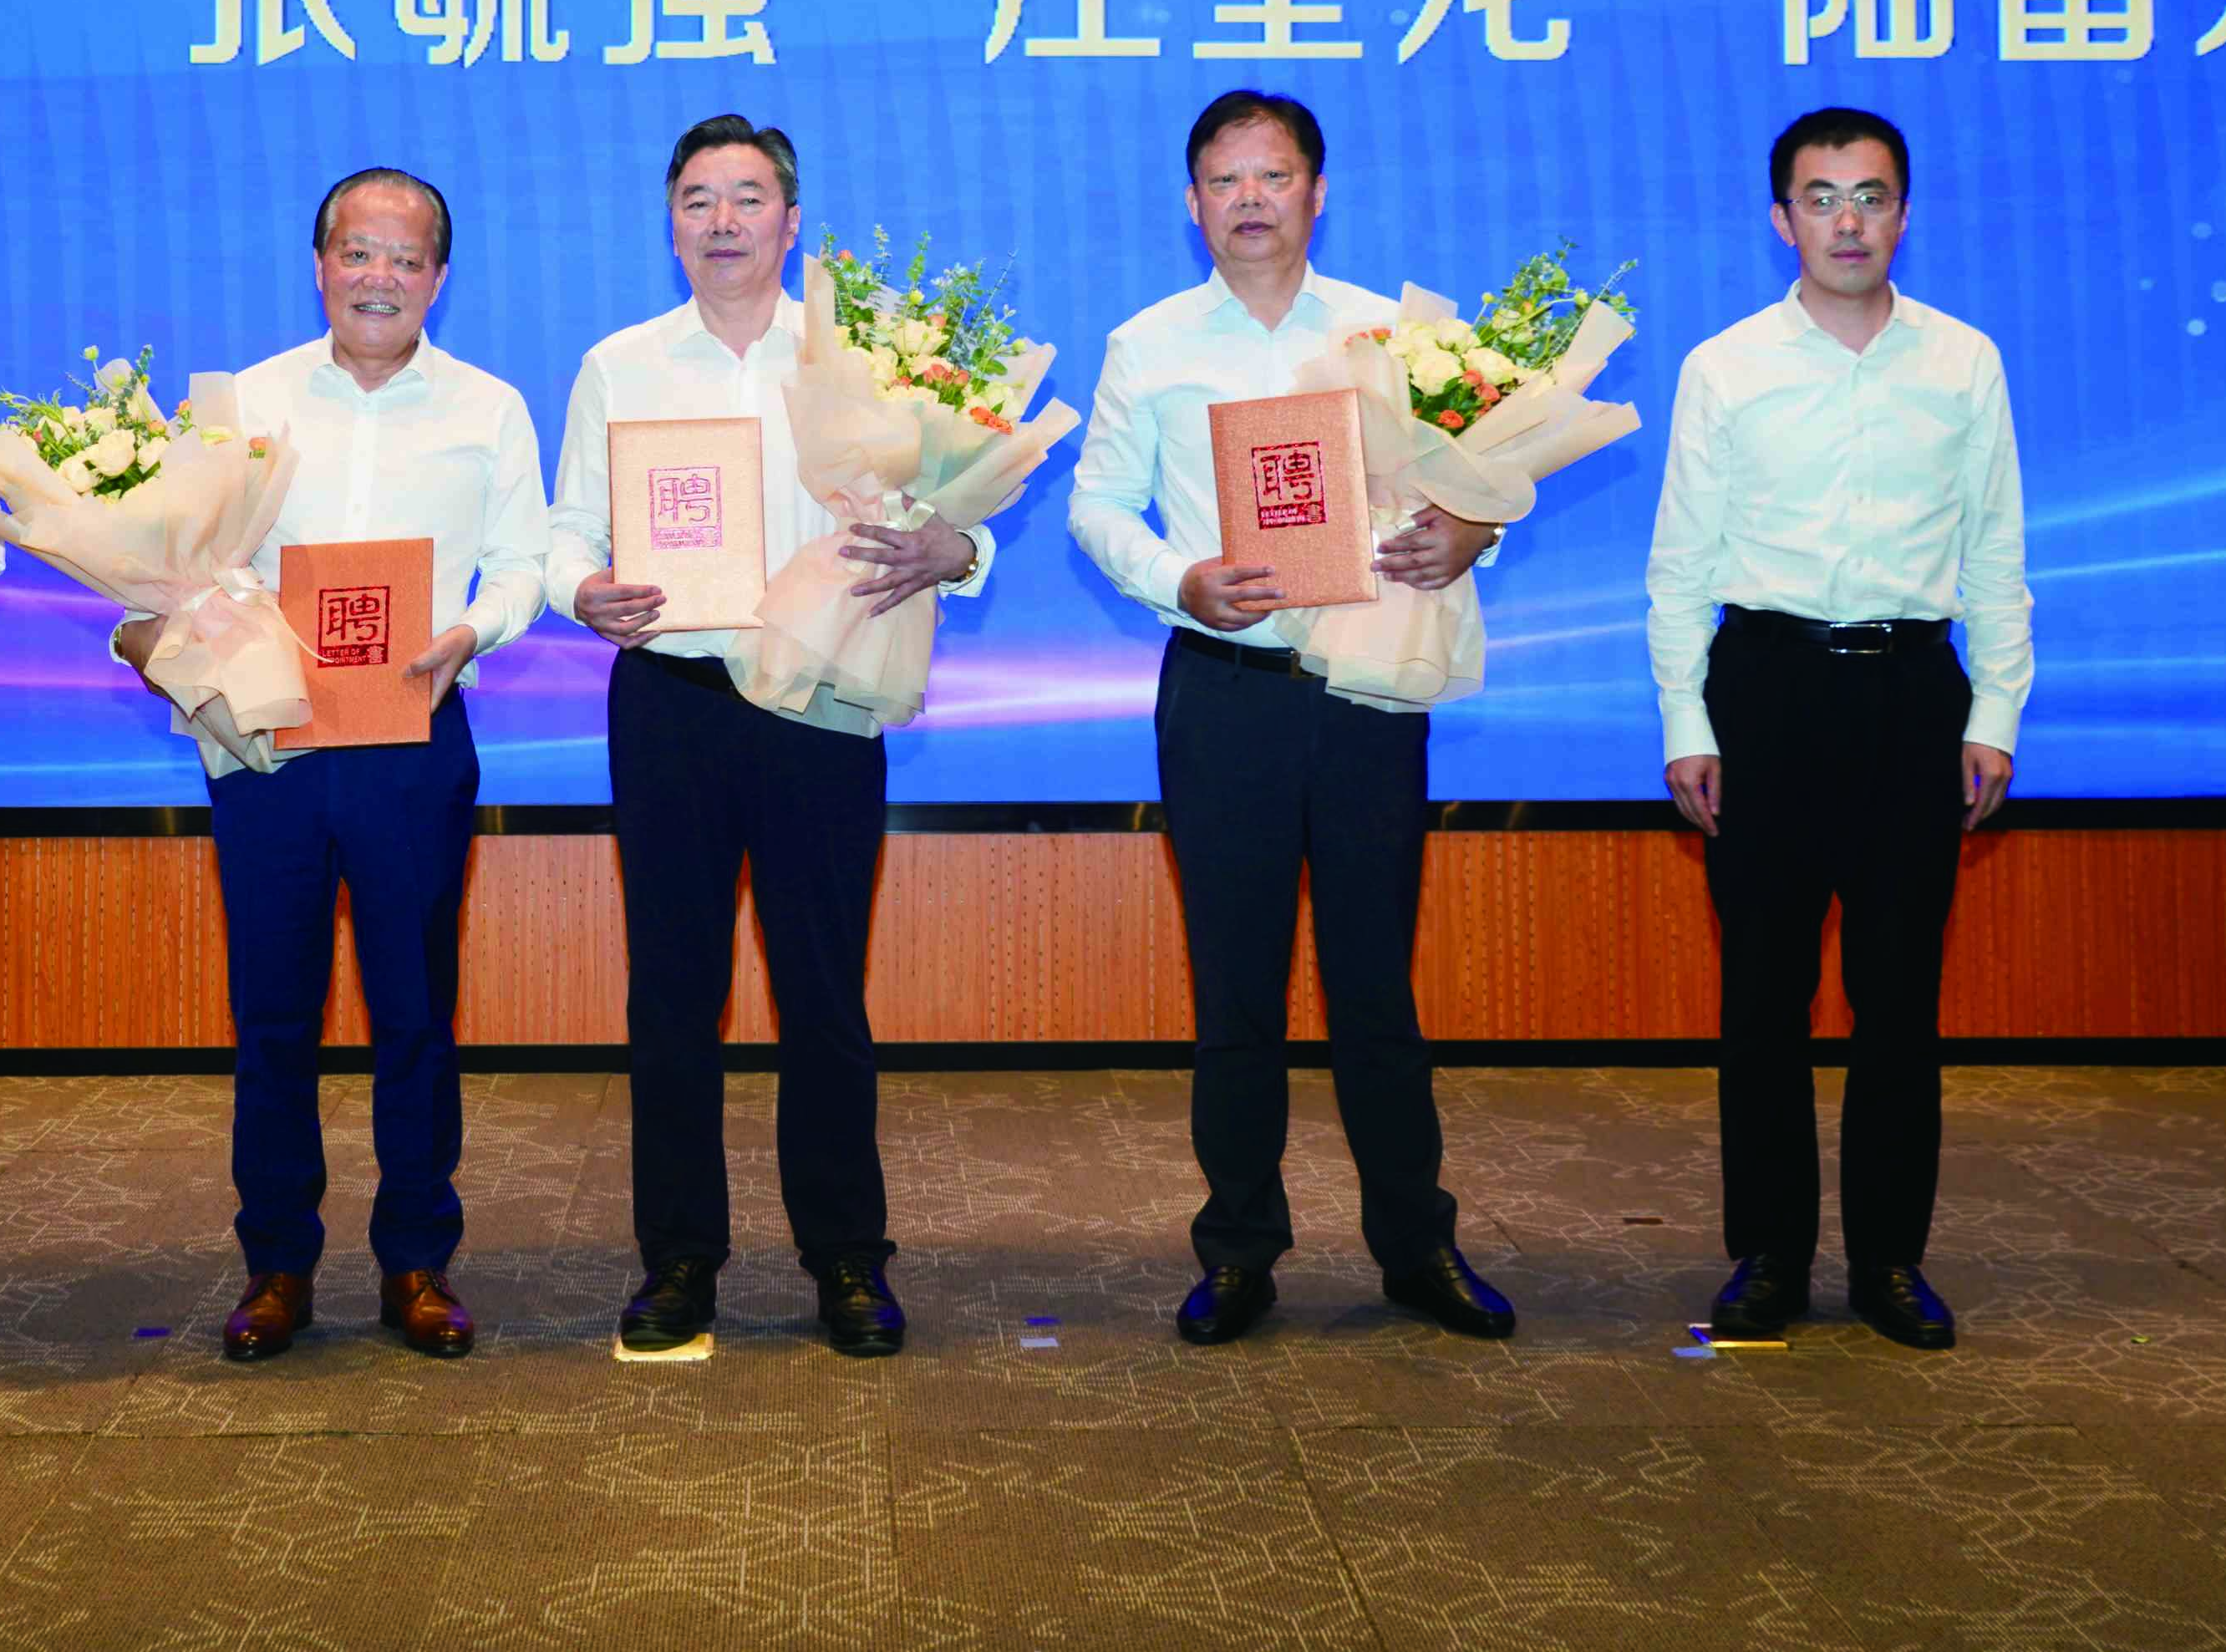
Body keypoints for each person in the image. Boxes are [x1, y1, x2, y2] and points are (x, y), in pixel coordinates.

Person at [1065, 90, 1517, 1347]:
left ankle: (1415, 1243)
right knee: (1237, 987)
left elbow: (1476, 481)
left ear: (1317, 191)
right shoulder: (1148, 342)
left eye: (1272, 176)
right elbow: (1095, 504)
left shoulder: (1391, 334)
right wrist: (1178, 580)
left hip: (1364, 691)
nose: (1249, 199)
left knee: (1376, 980)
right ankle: (1239, 1249)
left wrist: (1468, 529)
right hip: (1222, 694)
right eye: (1224, 179)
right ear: (1191, 200)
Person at [548, 113, 988, 1363]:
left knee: (822, 993)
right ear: (670, 221)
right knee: (673, 993)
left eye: (748, 198)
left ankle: (847, 1254)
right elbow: (567, 529)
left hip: (820, 703)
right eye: (698, 198)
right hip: (673, 699)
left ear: (792, 223)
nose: (723, 220)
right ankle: (679, 1257)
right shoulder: (619, 362)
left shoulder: (869, 359)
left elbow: (947, 516)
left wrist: (961, 550)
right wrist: (580, 589)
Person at [141, 169, 549, 1365]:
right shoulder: (243, 400)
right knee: (272, 1009)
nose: (380, 276)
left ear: (438, 275)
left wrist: (476, 625)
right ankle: (276, 1262)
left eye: (405, 258)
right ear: (318, 264)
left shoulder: (490, 406)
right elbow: (178, 552)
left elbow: (524, 558)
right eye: (357, 253)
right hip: (267, 740)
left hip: (415, 731)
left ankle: (416, 1258)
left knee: (413, 1008)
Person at [1648, 104, 2030, 1352]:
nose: (1846, 220)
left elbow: (1995, 553)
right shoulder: (1725, 365)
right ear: (1780, 218)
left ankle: (1889, 1258)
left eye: (1868, 195)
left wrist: (1994, 713)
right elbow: (1675, 569)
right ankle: (1767, 1254)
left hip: (1911, 694)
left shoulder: (1961, 360)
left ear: (1903, 211)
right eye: (1819, 197)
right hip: (1762, 687)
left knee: (1896, 999)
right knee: (1761, 995)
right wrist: (1684, 722)